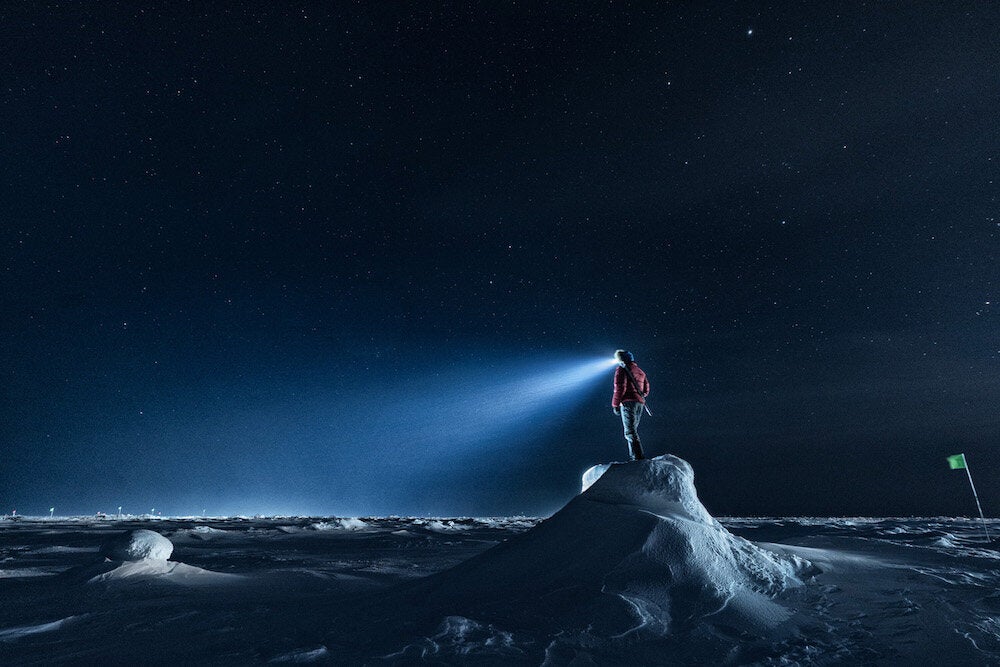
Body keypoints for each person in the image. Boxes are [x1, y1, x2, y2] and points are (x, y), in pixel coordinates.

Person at [611, 349, 650, 461]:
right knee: (633, 430)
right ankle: (637, 457)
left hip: (628, 403)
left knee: (630, 432)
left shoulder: (621, 369)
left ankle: (637, 458)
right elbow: (646, 389)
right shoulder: (640, 371)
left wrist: (615, 404)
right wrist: (639, 396)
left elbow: (619, 388)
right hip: (640, 403)